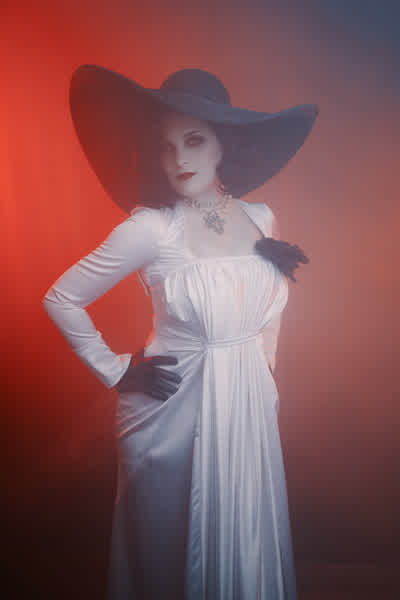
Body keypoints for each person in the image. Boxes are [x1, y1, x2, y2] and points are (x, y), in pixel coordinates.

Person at [42, 65, 318, 599]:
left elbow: (271, 304)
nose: (178, 159)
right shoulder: (151, 228)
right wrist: (116, 370)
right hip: (174, 415)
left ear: (222, 144)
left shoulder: (262, 217)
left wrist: (266, 369)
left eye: (193, 141)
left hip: (247, 406)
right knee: (175, 547)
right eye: (165, 146)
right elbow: (61, 298)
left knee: (243, 536)